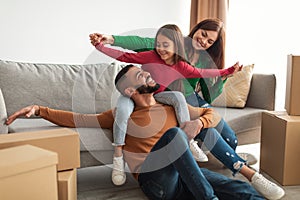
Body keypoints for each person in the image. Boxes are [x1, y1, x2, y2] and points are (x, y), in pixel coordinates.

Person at [6, 64, 285, 199]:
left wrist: (198, 123)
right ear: (130, 90)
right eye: (141, 75)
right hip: (156, 181)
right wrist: (40, 109)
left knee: (240, 190)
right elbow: (77, 118)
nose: (148, 75)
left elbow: (211, 112)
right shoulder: (119, 116)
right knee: (174, 137)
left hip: (185, 174)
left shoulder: (174, 106)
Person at [89, 24, 242, 186]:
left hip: (159, 96)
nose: (161, 49)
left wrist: (227, 72)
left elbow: (203, 74)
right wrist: (101, 46)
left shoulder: (183, 65)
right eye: (159, 45)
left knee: (178, 97)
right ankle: (118, 155)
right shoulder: (151, 55)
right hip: (136, 93)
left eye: (210, 41)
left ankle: (188, 140)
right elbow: (125, 56)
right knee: (123, 110)